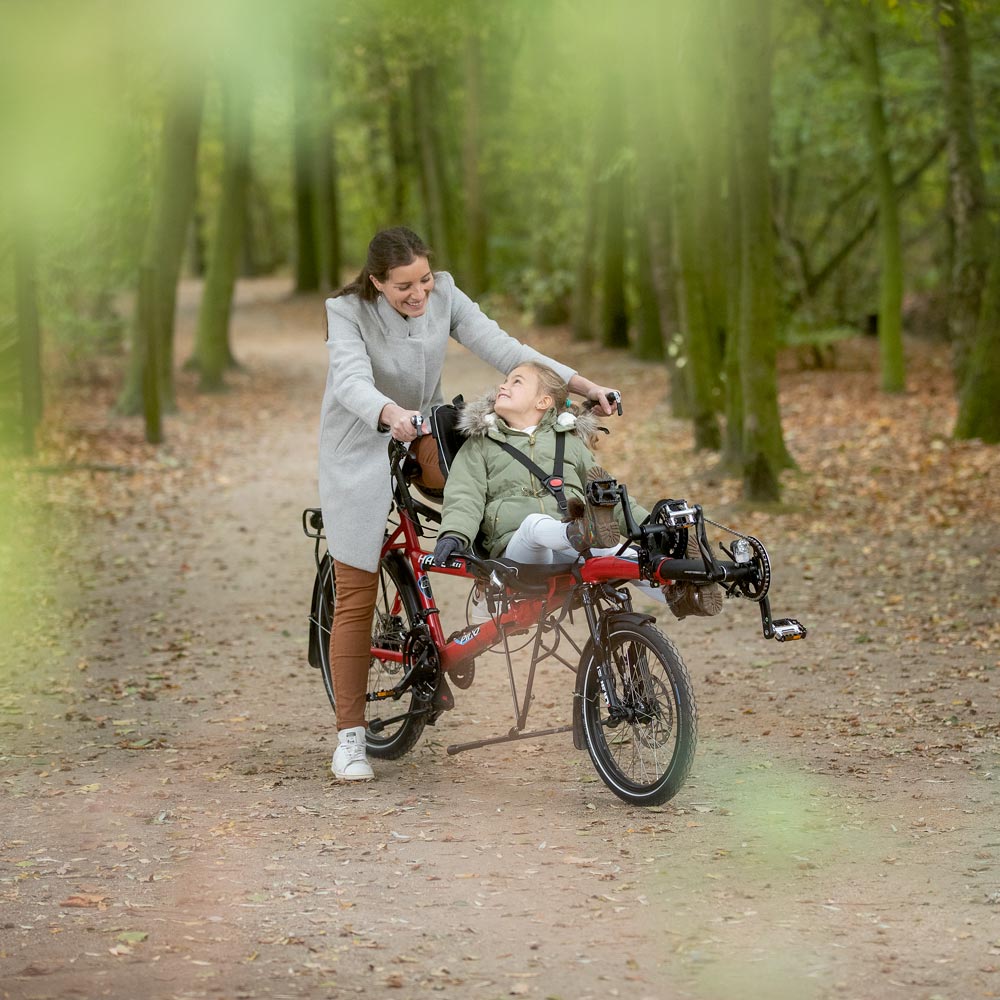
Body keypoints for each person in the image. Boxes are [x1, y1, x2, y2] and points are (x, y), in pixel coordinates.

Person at [318, 227, 620, 781]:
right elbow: (350, 381)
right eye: (404, 286)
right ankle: (351, 738)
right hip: (362, 440)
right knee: (357, 587)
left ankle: (489, 588)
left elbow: (507, 349)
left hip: (426, 429)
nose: (420, 294)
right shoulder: (346, 312)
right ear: (377, 281)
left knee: (486, 482)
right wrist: (390, 416)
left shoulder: (446, 294)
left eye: (426, 280)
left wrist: (582, 385)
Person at [432, 362, 723, 617]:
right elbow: (464, 495)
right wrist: (455, 534)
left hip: (573, 546)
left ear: (543, 401)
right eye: (505, 381)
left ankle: (683, 588)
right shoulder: (481, 445)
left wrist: (652, 529)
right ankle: (580, 532)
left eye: (515, 382)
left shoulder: (568, 443)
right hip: (519, 553)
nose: (502, 386)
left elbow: (609, 498)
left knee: (611, 548)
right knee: (536, 524)